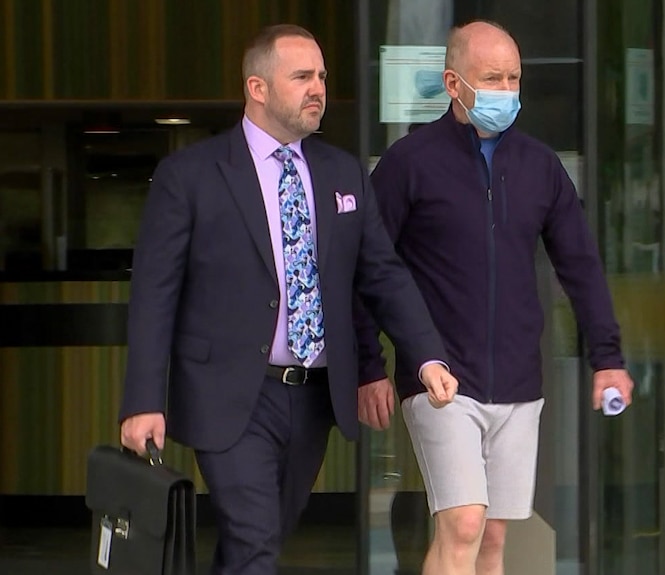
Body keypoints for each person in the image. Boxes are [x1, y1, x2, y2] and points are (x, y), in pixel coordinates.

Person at [118, 24, 458, 575]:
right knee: (254, 541)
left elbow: (382, 275)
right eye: (302, 76)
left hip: (314, 397)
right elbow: (155, 294)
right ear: (257, 87)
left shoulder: (342, 171)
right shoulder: (191, 175)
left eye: (321, 76)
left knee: (260, 539)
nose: (317, 88)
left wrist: (427, 354)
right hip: (229, 393)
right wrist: (141, 400)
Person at [356, 20, 635, 575]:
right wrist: (370, 365)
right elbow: (367, 268)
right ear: (453, 83)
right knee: (462, 522)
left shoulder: (541, 167)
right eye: (492, 78)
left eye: (513, 78)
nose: (506, 91)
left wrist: (607, 358)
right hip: (439, 378)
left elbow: (579, 265)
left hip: (517, 381)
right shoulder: (409, 163)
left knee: (492, 537)